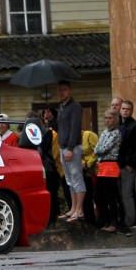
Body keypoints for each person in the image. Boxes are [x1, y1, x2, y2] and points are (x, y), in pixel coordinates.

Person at [56, 80, 86, 223]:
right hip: (63, 147)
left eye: (64, 89)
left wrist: (70, 148)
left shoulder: (75, 107)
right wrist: (51, 119)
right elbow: (61, 128)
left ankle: (79, 210)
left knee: (76, 177)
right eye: (60, 90)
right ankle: (73, 208)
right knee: (69, 179)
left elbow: (75, 128)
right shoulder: (61, 106)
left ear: (70, 90)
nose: (62, 92)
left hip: (71, 148)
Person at [118, 100, 136, 233]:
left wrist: (131, 164)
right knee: (121, 194)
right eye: (123, 108)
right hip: (117, 164)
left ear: (132, 111)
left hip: (129, 166)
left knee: (127, 194)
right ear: (120, 110)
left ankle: (130, 222)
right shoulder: (118, 125)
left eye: (128, 109)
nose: (125, 111)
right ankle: (123, 220)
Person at [94, 109, 122, 233]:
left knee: (110, 196)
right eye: (105, 118)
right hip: (102, 166)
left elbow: (102, 149)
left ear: (115, 119)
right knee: (98, 195)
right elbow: (96, 149)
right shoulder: (104, 132)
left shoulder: (116, 133)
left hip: (111, 166)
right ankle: (105, 220)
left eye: (110, 118)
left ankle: (113, 223)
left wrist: (98, 151)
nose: (107, 120)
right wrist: (98, 151)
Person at [37, 110, 61, 227]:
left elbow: (44, 148)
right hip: (39, 167)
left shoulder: (48, 132)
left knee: (51, 194)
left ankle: (53, 219)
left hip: (49, 167)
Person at [81, 129, 99, 226]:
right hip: (85, 171)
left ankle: (100, 220)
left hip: (95, 170)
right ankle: (90, 220)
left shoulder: (89, 135)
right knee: (87, 196)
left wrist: (87, 164)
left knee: (97, 196)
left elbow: (97, 151)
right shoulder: (74, 140)